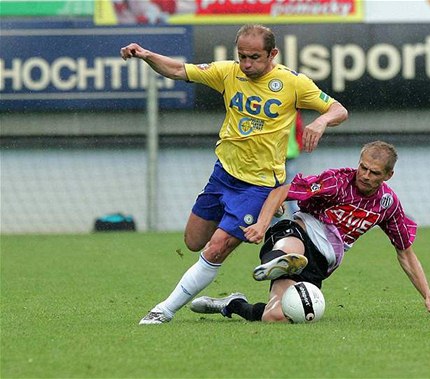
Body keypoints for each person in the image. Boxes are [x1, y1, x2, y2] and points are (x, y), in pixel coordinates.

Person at [120, 24, 348, 324]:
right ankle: (259, 249)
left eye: (255, 57)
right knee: (193, 241)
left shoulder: (292, 83)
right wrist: (146, 55)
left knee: (216, 248)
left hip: (258, 186)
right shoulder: (228, 72)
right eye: (242, 56)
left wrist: (320, 123)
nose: (247, 64)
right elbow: (178, 70)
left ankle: (164, 309)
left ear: (273, 54)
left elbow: (338, 109)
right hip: (223, 175)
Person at [189, 141, 430, 322]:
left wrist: (428, 295)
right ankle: (277, 261)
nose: (365, 175)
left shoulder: (387, 204)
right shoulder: (337, 182)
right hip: (299, 231)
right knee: (290, 250)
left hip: (321, 262)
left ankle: (233, 304)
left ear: (388, 175)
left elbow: (405, 253)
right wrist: (263, 223)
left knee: (275, 317)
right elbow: (282, 190)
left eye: (374, 172)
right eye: (362, 167)